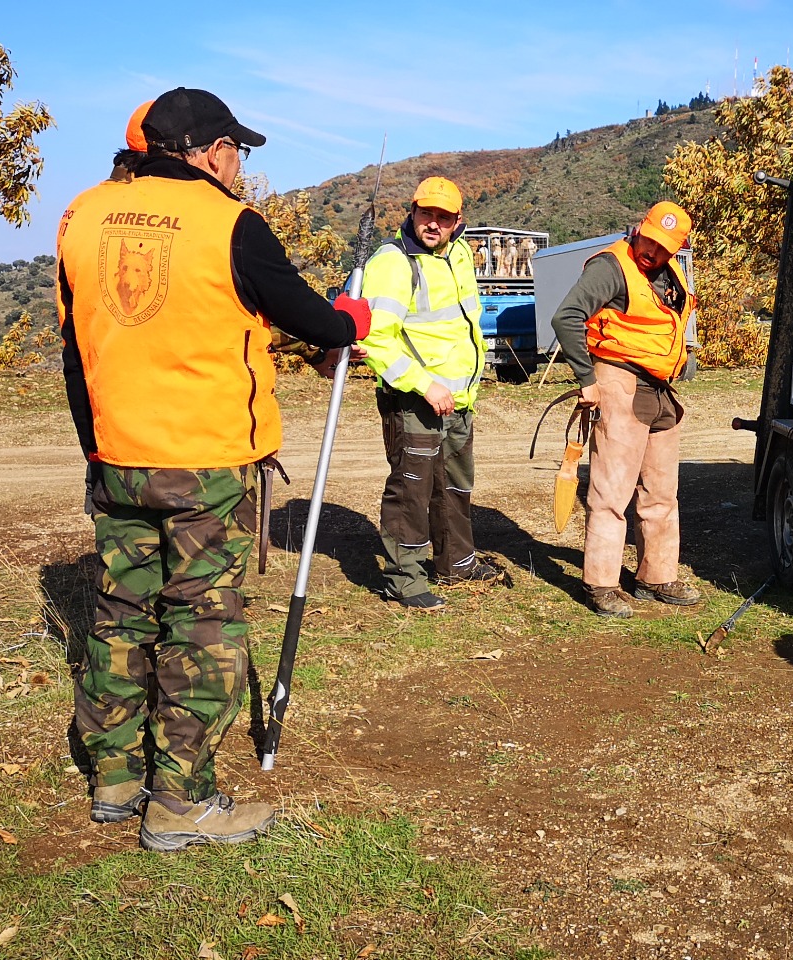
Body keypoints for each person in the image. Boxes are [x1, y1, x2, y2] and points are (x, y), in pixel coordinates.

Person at [55, 87, 372, 851]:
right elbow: (317, 320)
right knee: (201, 626)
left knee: (122, 614)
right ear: (209, 150)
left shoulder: (85, 214)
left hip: (118, 457)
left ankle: (116, 777)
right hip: (204, 463)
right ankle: (181, 802)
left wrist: (93, 447)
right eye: (239, 150)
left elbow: (77, 349)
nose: (242, 165)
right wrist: (349, 320)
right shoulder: (232, 224)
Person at [351, 177, 501, 609]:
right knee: (412, 490)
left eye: (444, 216)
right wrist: (424, 384)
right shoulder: (393, 262)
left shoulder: (459, 255)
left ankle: (457, 562)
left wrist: (462, 387)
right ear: (412, 211)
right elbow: (376, 340)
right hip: (414, 400)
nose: (433, 223)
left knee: (454, 485)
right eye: (426, 213)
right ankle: (406, 579)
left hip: (459, 400)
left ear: (458, 221)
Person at [550, 201, 701, 618]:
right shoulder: (611, 267)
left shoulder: (669, 272)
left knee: (661, 491)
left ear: (678, 246)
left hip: (659, 388)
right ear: (639, 228)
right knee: (610, 492)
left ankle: (656, 576)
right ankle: (600, 583)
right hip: (617, 381)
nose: (653, 251)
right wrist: (586, 379)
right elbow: (566, 318)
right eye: (649, 240)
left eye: (664, 246)